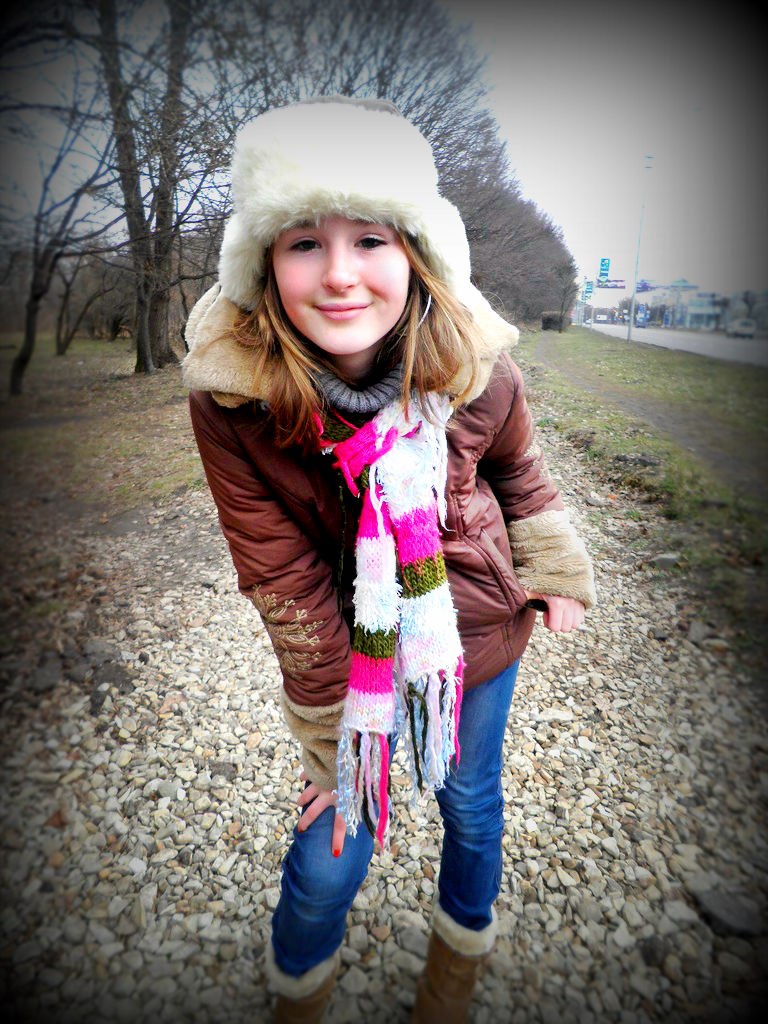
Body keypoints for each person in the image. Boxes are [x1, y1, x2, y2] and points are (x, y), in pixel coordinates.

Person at [182, 96, 596, 1024]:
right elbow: (280, 575)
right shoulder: (231, 401)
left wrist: (554, 568)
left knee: (471, 805)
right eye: (304, 242)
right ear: (263, 261)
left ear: (415, 252)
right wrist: (336, 745)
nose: (340, 275)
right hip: (351, 662)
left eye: (370, 239)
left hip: (475, 638)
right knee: (331, 855)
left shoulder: (479, 367)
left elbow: (519, 471)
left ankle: (454, 973)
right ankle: (299, 997)